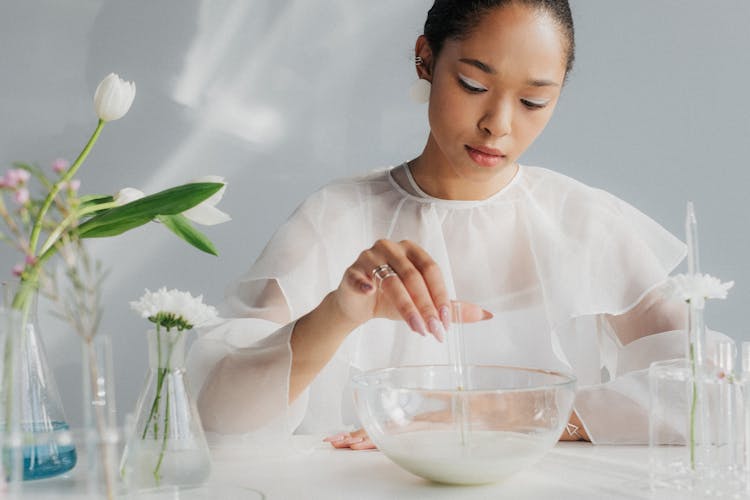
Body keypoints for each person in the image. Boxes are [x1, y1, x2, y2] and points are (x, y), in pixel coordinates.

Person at [186, 0, 691, 448]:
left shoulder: (583, 223)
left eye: (533, 101)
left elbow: (711, 391)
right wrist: (338, 313)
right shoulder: (337, 216)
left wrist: (482, 415)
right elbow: (218, 417)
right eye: (473, 85)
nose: (499, 123)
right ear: (425, 58)